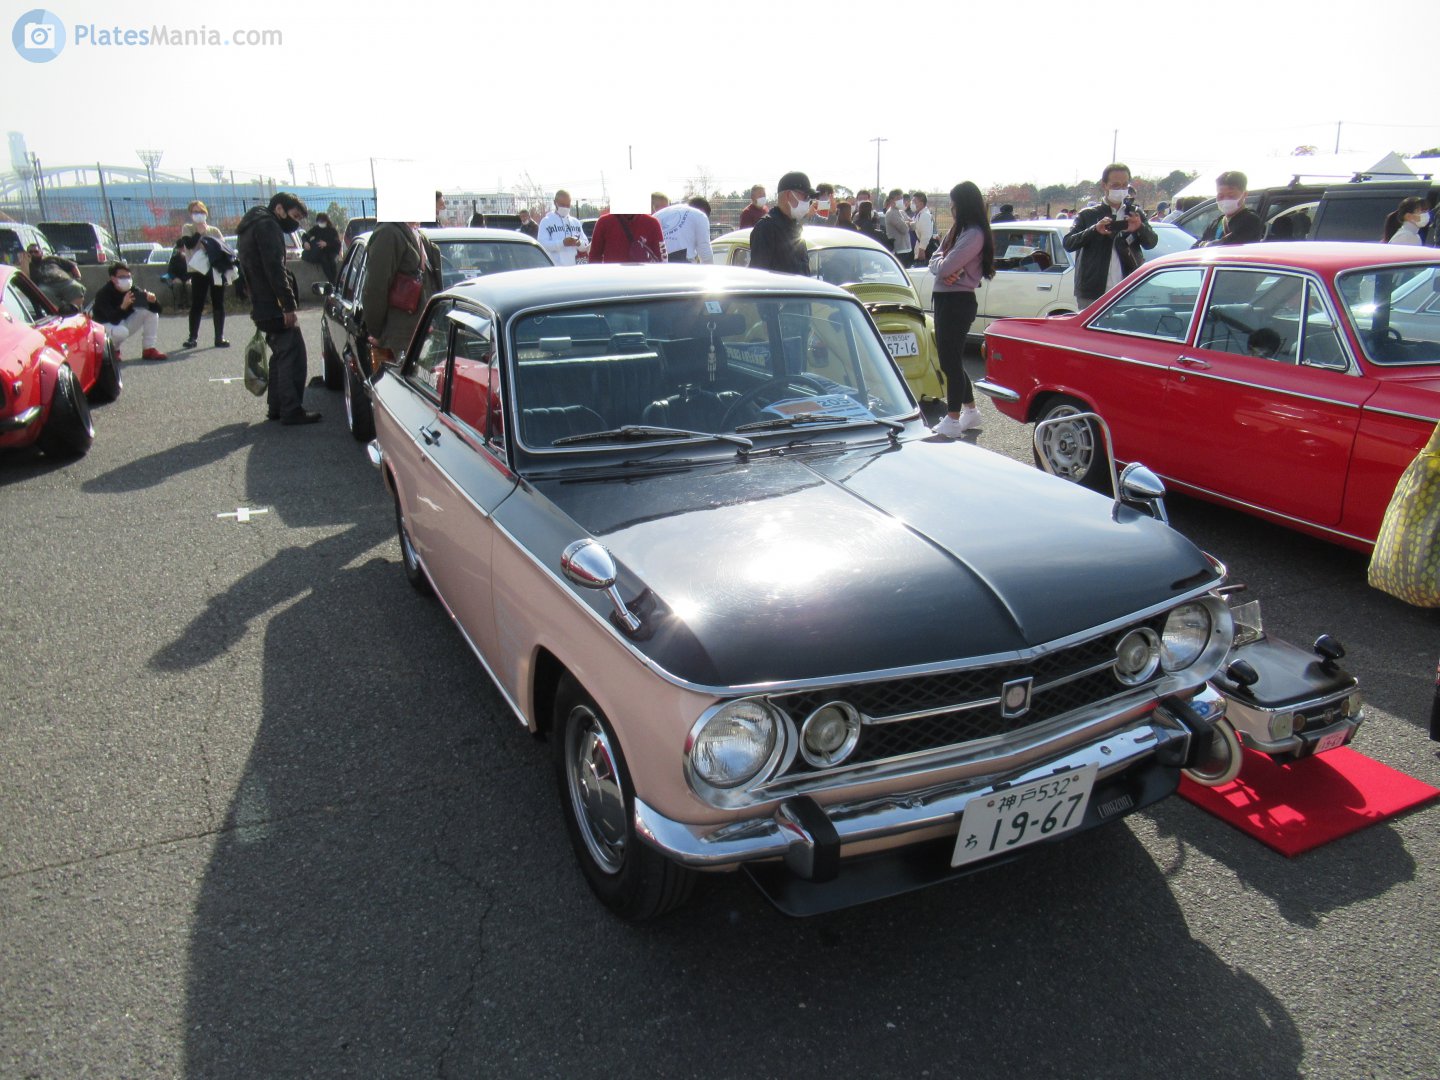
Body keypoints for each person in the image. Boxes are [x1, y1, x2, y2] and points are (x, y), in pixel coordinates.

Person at [236, 192, 318, 424]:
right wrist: (288, 305)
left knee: (280, 356)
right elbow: (275, 269)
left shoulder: (250, 225)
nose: (296, 222)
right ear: (280, 209)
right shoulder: (267, 226)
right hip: (273, 304)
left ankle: (278, 408)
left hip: (261, 302)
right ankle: (291, 410)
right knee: (293, 354)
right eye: (294, 216)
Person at [927, 182, 993, 438]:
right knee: (951, 357)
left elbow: (943, 267)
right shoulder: (958, 229)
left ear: (963, 204)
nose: (951, 208)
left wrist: (944, 266)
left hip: (958, 301)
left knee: (949, 360)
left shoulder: (974, 233)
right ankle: (970, 410)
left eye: (953, 203)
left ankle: (953, 418)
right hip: (946, 298)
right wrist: (943, 264)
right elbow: (937, 259)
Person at [361, 195, 444, 369]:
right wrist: (378, 332)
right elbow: (375, 288)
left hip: (422, 335)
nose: (439, 207)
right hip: (400, 339)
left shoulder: (416, 234)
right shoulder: (388, 233)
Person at [1063, 163, 1158, 309]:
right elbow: (1069, 243)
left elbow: (1151, 243)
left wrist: (1140, 227)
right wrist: (1095, 229)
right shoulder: (1088, 214)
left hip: (1126, 289)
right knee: (1091, 331)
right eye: (1115, 185)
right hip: (1093, 291)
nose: (1121, 189)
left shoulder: (1135, 213)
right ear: (1104, 185)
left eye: (1124, 185)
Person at [179, 200, 233, 349]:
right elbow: (189, 244)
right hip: (198, 270)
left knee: (218, 302)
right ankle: (192, 337)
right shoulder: (188, 228)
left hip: (215, 269)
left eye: (201, 212)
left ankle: (219, 337)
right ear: (190, 214)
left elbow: (223, 247)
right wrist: (199, 233)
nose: (199, 215)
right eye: (195, 212)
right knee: (197, 303)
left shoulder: (214, 230)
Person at [92, 262, 167, 360]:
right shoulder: (104, 294)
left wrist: (153, 301)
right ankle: (113, 350)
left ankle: (149, 349)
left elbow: (158, 310)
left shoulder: (132, 290)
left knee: (150, 313)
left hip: (122, 323)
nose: (126, 280)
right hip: (104, 327)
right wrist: (123, 306)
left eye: (128, 277)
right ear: (113, 278)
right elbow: (113, 319)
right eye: (122, 277)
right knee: (121, 332)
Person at [749, 171, 814, 275]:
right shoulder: (766, 228)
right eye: (805, 196)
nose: (808, 202)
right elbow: (759, 277)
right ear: (789, 195)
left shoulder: (795, 226)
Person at [587, 197, 664, 264]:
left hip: (642, 279)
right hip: (612, 279)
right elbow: (594, 260)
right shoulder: (604, 222)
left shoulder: (652, 223)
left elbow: (661, 260)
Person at [1195, 171, 1263, 247]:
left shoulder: (1251, 220)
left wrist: (1206, 245)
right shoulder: (1216, 222)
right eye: (1221, 196)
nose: (1225, 199)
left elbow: (1227, 245)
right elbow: (1195, 247)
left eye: (1231, 196)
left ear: (1244, 194)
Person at [21, 243, 85, 311]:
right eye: (30, 252)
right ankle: (61, 310)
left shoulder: (51, 259)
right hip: (46, 285)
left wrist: (78, 278)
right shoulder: (29, 265)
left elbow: (72, 266)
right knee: (42, 292)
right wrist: (26, 261)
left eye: (36, 252)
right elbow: (25, 277)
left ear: (41, 252)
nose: (33, 254)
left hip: (64, 281)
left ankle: (74, 309)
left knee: (76, 287)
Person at [654, 193, 714, 263]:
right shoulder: (701, 216)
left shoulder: (660, 214)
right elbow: (705, 251)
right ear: (703, 211)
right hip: (682, 264)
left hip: (655, 264)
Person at [537, 190, 589, 265]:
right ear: (555, 203)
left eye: (567, 205)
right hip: (554, 268)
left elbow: (586, 245)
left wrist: (578, 243)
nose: (565, 208)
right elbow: (542, 245)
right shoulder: (546, 221)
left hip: (573, 268)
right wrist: (562, 243)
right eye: (562, 205)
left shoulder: (575, 222)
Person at [300, 212, 341, 283]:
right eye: (319, 221)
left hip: (331, 251)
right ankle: (332, 282)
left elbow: (337, 243)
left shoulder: (332, 230)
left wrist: (326, 244)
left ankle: (334, 281)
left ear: (326, 221)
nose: (321, 223)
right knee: (324, 260)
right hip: (321, 253)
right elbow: (305, 236)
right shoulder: (316, 229)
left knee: (332, 262)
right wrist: (305, 242)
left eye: (322, 221)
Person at [883, 189, 913, 265]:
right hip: (898, 251)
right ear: (891, 200)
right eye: (898, 198)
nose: (900, 200)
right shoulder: (891, 213)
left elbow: (913, 225)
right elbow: (904, 229)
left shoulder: (901, 212)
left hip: (907, 249)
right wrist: (907, 223)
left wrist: (906, 223)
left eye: (901, 198)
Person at [911, 192, 936, 261]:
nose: (912, 203)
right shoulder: (919, 214)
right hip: (919, 249)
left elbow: (926, 235)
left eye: (914, 201)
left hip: (925, 251)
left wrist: (921, 250)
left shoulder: (925, 215)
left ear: (921, 203)